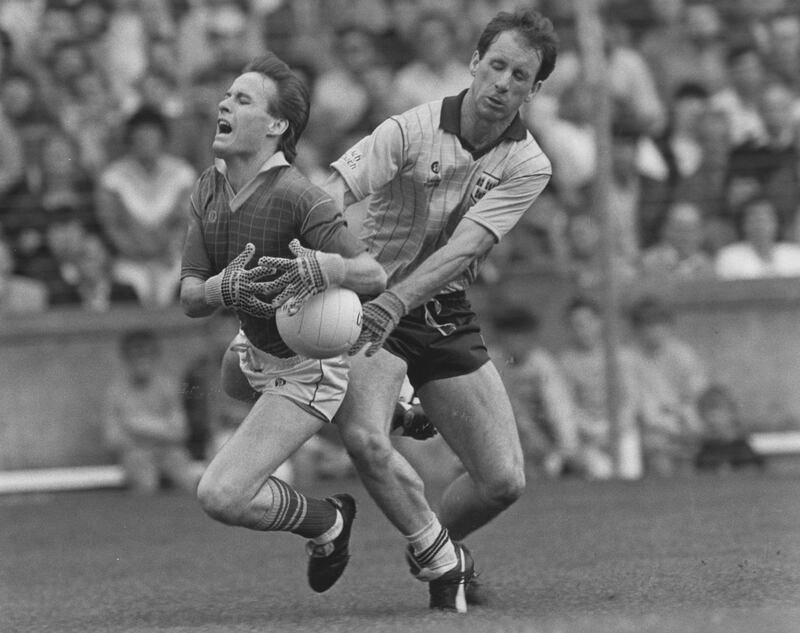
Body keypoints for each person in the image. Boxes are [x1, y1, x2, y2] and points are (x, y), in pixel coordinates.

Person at [276, 9, 558, 612]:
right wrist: (308, 256)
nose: (503, 82)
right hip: (367, 302)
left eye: (520, 75)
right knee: (363, 436)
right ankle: (410, 543)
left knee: (504, 482)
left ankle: (436, 548)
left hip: (436, 307)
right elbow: (332, 194)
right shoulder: (408, 129)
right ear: (475, 63)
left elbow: (466, 250)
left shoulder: (529, 163)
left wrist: (402, 300)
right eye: (498, 65)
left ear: (535, 90)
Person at [179, 53, 386, 596]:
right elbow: (188, 296)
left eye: (242, 99)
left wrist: (328, 266)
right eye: (227, 95)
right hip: (254, 347)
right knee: (228, 379)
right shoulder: (208, 186)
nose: (224, 103)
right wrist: (215, 289)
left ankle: (328, 521)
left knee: (220, 496)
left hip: (306, 368)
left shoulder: (301, 197)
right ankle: (398, 408)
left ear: (276, 127)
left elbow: (373, 274)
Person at [96, 106, 197, 307]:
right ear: (130, 140)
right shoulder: (112, 177)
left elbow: (186, 221)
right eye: (140, 138)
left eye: (152, 137)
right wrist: (139, 253)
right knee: (125, 288)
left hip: (170, 259)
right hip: (130, 261)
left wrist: (167, 249)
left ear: (163, 139)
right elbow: (112, 225)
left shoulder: (182, 174)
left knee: (186, 286)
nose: (146, 144)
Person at [104, 328, 199, 495]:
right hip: (134, 453)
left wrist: (138, 425)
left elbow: (181, 432)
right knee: (145, 480)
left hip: (169, 451)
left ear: (155, 357)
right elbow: (113, 439)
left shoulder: (167, 387)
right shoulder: (116, 392)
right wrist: (159, 431)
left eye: (146, 355)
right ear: (126, 359)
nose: (141, 361)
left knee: (186, 478)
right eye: (135, 356)